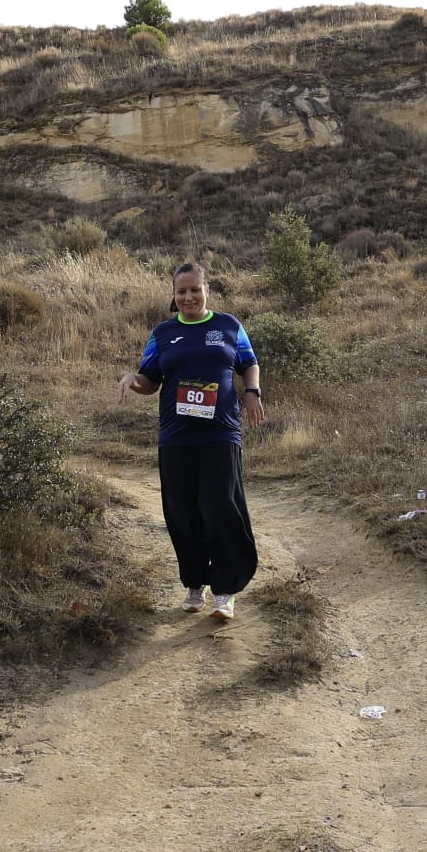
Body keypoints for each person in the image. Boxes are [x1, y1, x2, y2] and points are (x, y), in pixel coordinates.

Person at [115, 262, 265, 620]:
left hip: (220, 432)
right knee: (182, 514)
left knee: (219, 506)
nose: (188, 297)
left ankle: (225, 590)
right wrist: (131, 379)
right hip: (176, 436)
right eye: (181, 291)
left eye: (194, 289)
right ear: (173, 295)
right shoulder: (163, 333)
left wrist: (252, 392)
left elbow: (249, 362)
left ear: (206, 290)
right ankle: (195, 583)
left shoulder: (228, 325)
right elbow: (150, 380)